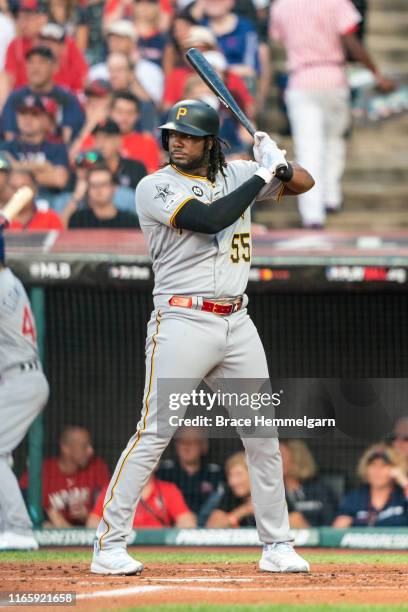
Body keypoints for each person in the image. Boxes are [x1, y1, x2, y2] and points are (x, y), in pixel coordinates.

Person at [90, 98, 314, 575]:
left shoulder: (236, 173)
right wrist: (261, 173)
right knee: (154, 432)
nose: (177, 142)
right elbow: (210, 220)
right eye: (173, 134)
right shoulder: (155, 186)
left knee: (263, 437)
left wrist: (281, 163)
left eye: (189, 136)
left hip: (238, 321)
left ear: (210, 143)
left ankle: (277, 545)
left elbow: (304, 184)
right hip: (182, 319)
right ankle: (109, 544)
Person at [270, 0, 394, 228]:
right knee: (334, 140)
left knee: (309, 148)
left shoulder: (281, 6)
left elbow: (278, 37)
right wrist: (376, 74)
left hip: (300, 79)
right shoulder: (337, 2)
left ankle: (312, 214)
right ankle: (330, 197)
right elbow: (351, 40)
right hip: (334, 77)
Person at [0, 224, 49, 550]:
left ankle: (18, 527)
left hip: (21, 378)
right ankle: (11, 525)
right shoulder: (10, 280)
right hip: (19, 379)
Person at [20, 426, 110, 528]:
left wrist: (87, 515)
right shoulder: (42, 470)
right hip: (52, 533)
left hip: (90, 533)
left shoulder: (97, 467)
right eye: (84, 446)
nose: (90, 451)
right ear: (65, 448)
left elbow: (108, 511)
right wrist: (48, 515)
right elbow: (21, 503)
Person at [2, 46, 85, 144]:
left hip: (56, 156)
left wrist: (50, 127)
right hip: (19, 156)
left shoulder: (67, 98)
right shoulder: (15, 98)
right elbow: (9, 137)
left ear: (54, 67)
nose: (35, 67)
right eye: (31, 62)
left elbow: (68, 140)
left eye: (42, 62)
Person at [206, 451, 307, 529]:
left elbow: (302, 528)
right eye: (230, 476)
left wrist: (268, 513)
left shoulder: (271, 490)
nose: (232, 482)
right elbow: (211, 528)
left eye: (238, 475)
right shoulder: (232, 493)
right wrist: (244, 511)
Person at [0, 97, 70, 204]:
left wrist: (15, 166)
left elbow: (59, 180)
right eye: (23, 113)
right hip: (12, 201)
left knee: (65, 199)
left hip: (47, 200)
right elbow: (4, 181)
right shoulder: (5, 147)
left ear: (46, 119)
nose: (27, 119)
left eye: (34, 114)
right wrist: (42, 167)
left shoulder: (57, 148)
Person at [157, 426, 224, 525]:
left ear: (203, 446)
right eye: (182, 441)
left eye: (193, 442)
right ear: (176, 445)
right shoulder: (163, 471)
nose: (186, 446)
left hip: (207, 529)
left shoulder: (216, 473)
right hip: (171, 527)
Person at [333, 443, 408, 528]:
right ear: (366, 469)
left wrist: (403, 481)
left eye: (384, 465)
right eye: (373, 465)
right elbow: (337, 531)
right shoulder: (355, 497)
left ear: (395, 469)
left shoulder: (402, 496)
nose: (377, 471)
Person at [87, 473, 196, 529]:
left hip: (159, 550)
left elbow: (188, 523)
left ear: (157, 462)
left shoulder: (168, 489)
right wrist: (118, 535)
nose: (145, 463)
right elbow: (92, 522)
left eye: (150, 458)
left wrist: (167, 536)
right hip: (123, 547)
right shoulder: (114, 490)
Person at [280, 439, 337, 526]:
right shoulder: (269, 492)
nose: (274, 462)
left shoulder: (319, 490)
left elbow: (330, 525)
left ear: (296, 459)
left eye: (281, 456)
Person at [68, 165, 140, 229]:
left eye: (103, 184)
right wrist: (76, 197)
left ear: (113, 188)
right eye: (93, 185)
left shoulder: (130, 221)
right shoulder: (78, 219)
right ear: (88, 189)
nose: (98, 190)